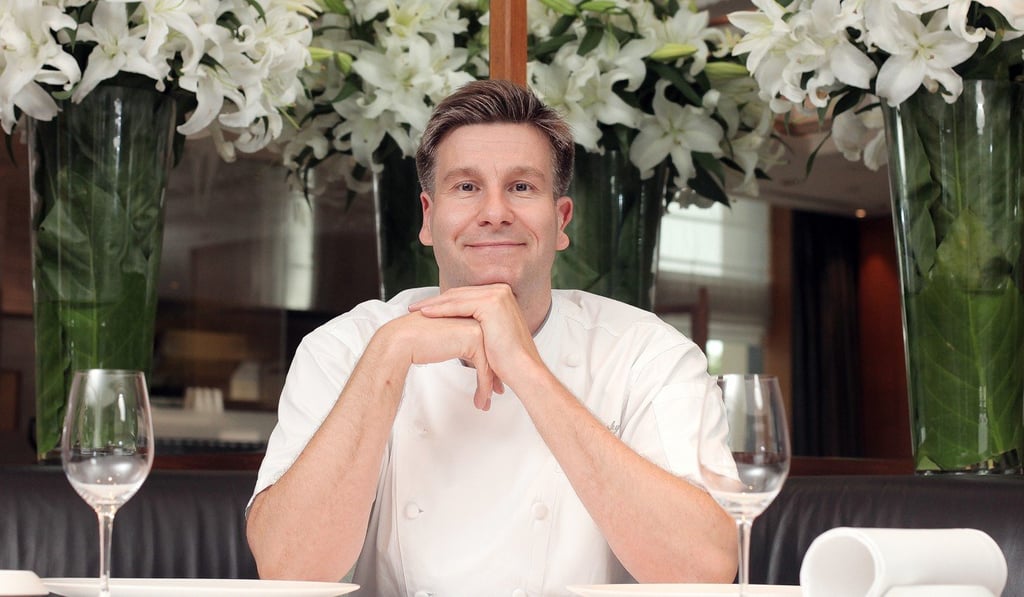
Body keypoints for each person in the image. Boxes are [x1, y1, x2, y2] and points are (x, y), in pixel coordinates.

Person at [246, 79, 737, 595]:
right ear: (429, 219)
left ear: (561, 219)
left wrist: (527, 369)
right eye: (466, 187)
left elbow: (706, 569)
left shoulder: (647, 354)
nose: (495, 211)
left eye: (522, 187)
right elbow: (287, 568)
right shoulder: (342, 348)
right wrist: (387, 356)